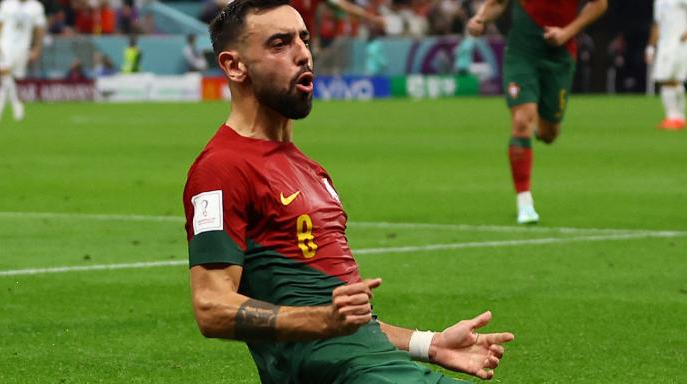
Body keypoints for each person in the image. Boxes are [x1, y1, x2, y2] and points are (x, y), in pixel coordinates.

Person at [184, 0, 515, 382]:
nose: (303, 54)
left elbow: (347, 323)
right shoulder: (221, 167)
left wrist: (430, 344)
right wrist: (322, 319)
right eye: (279, 44)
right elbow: (211, 306)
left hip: (382, 369)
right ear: (234, 65)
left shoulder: (310, 170)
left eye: (304, 40)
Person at [466, 0, 607, 224]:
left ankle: (540, 122)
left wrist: (567, 32)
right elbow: (497, 3)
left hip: (560, 57)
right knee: (522, 121)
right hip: (522, 55)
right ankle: (525, 203)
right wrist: (480, 19)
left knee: (549, 133)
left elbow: (599, 4)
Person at [646, 0, 687, 130]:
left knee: (668, 79)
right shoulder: (658, 2)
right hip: (665, 44)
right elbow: (657, 24)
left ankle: (673, 117)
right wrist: (650, 47)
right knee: (672, 80)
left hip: (679, 42)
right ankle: (679, 118)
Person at [0, 0, 46, 123]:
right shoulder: (6, 4)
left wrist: (37, 48)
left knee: (11, 79)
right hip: (5, 44)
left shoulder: (36, 7)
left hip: (22, 47)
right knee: (5, 74)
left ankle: (16, 106)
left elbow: (39, 29)